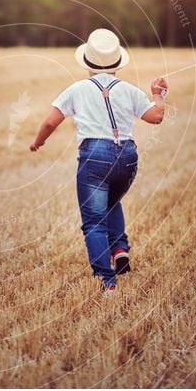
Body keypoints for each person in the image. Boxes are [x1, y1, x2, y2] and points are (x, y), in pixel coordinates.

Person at [29, 29, 167, 297]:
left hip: (94, 156)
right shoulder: (129, 90)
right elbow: (156, 117)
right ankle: (119, 249)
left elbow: (49, 122)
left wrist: (39, 142)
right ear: (117, 63)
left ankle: (108, 281)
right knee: (112, 202)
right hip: (128, 156)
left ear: (88, 62)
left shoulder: (77, 89)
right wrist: (158, 94)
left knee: (93, 222)